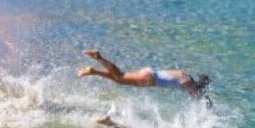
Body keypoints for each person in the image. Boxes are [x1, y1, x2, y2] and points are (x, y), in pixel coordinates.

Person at [77, 49, 210, 100]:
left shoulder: (187, 76)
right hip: (151, 80)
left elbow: (177, 77)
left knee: (120, 80)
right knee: (120, 76)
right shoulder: (190, 85)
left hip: (151, 74)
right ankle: (98, 57)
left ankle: (93, 72)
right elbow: (200, 99)